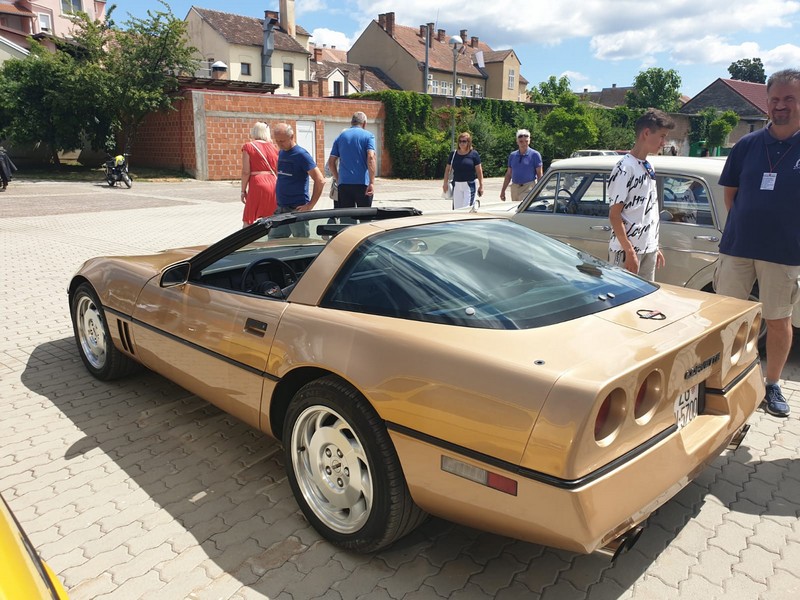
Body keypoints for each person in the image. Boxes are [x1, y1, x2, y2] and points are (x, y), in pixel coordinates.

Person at [713, 68, 800, 418]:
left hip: (784, 253)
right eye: (775, 99)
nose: (781, 105)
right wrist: (748, 227)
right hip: (738, 247)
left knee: (778, 320)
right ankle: (721, 377)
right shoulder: (747, 145)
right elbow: (731, 196)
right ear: (767, 102)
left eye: (789, 98)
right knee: (726, 317)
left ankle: (772, 384)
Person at [607, 109, 675, 281]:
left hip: (648, 249)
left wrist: (653, 245)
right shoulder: (624, 167)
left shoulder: (649, 165)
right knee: (622, 295)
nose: (664, 143)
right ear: (646, 133)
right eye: (661, 136)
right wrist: (629, 251)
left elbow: (647, 208)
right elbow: (615, 215)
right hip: (626, 251)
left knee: (647, 296)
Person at [271, 122, 325, 237]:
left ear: (291, 137)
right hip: (281, 207)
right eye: (277, 141)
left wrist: (310, 205)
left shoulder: (301, 155)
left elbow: (320, 180)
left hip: (297, 209)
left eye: (282, 141)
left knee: (301, 242)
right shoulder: (282, 153)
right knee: (274, 240)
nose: (279, 144)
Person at [327, 112, 376, 208]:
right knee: (364, 215)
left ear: (352, 122)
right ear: (364, 123)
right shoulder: (369, 136)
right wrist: (371, 182)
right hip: (363, 183)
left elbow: (331, 161)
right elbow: (371, 157)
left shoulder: (340, 137)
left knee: (347, 215)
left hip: (344, 184)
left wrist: (338, 178)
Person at [240, 122, 279, 227]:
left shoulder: (248, 146)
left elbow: (246, 171)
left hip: (257, 183)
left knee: (248, 218)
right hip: (273, 183)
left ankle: (247, 237)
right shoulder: (274, 148)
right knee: (272, 217)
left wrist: (243, 190)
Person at [442, 132, 484, 210]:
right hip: (457, 184)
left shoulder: (474, 154)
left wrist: (481, 186)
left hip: (469, 185)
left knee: (467, 208)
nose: (462, 143)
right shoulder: (453, 154)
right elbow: (447, 170)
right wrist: (445, 183)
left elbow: (479, 171)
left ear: (468, 142)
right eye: (460, 141)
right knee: (457, 210)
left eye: (464, 141)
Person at [500, 129, 543, 203]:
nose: (524, 144)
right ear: (517, 142)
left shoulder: (535, 155)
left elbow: (539, 174)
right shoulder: (512, 155)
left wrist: (540, 190)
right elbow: (509, 174)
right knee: (515, 207)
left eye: (526, 141)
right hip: (515, 187)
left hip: (528, 187)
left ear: (529, 141)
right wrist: (503, 190)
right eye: (521, 141)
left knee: (523, 206)